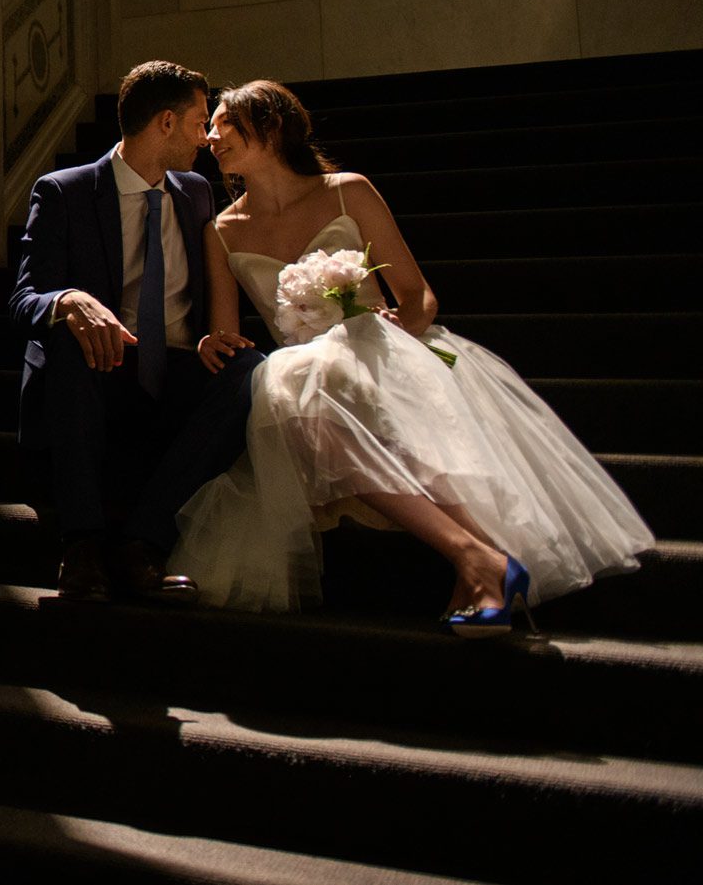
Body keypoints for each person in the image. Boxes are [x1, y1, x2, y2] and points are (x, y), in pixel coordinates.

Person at [171, 79, 653, 632]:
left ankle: (478, 562)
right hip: (303, 374)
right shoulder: (222, 231)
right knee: (294, 389)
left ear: (273, 126)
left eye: (226, 122)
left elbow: (419, 297)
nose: (211, 136)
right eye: (210, 126)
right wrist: (213, 341)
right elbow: (229, 334)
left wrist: (391, 332)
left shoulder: (348, 191)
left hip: (383, 349)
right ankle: (476, 558)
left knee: (332, 390)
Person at [11, 61, 261, 602]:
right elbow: (24, 299)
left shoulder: (195, 192)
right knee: (66, 337)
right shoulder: (63, 193)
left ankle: (143, 544)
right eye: (199, 122)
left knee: (249, 369)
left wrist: (212, 339)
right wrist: (67, 299)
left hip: (174, 369)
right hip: (101, 369)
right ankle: (81, 547)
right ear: (166, 124)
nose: (207, 136)